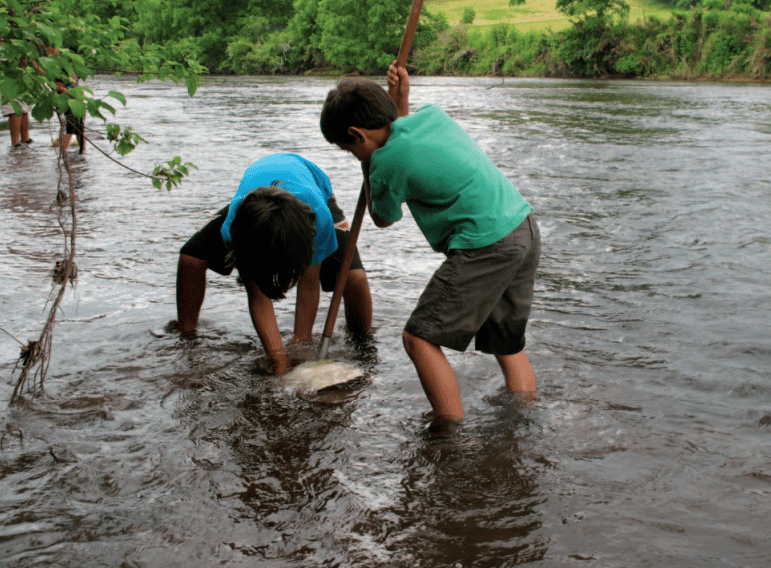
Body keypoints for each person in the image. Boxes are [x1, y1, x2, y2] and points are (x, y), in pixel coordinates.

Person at [320, 64, 540, 427]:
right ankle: (525, 418)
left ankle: (448, 430)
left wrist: (368, 164)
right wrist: (402, 100)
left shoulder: (385, 160)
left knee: (418, 337)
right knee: (506, 343)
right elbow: (401, 136)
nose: (353, 155)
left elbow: (383, 217)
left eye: (348, 149)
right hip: (522, 227)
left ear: (357, 135)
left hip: (486, 244)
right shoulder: (431, 117)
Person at [175, 153, 373, 375]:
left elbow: (309, 285)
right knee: (190, 258)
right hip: (257, 205)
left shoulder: (318, 220)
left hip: (315, 193)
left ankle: (364, 343)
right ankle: (186, 337)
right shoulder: (236, 229)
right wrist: (279, 363)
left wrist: (300, 347)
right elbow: (258, 297)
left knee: (355, 278)